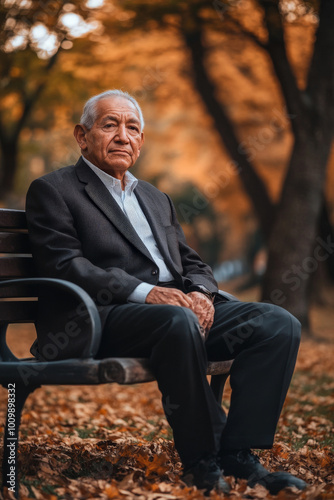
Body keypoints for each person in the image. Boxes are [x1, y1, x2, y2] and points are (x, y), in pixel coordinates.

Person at [26, 90, 307, 495]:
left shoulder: (155, 198)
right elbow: (66, 265)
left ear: (141, 142)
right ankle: (201, 462)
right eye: (110, 125)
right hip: (96, 317)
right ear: (82, 136)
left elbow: (192, 263)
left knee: (277, 322)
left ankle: (238, 453)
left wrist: (202, 294)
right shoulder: (54, 190)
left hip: (177, 314)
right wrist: (146, 292)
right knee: (175, 320)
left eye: (133, 127)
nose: (123, 135)